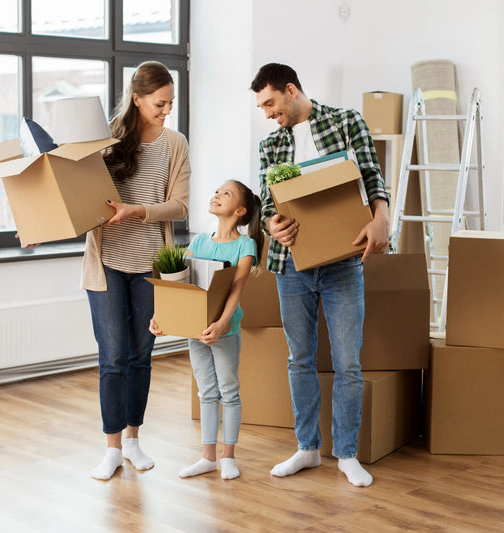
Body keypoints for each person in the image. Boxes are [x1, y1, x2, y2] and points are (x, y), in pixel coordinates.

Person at [250, 63, 390, 487]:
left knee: (348, 362)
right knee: (300, 359)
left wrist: (382, 219)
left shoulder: (346, 122)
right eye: (262, 107)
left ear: (291, 90)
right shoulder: (270, 145)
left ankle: (346, 454)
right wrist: (270, 225)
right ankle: (307, 449)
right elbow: (266, 204)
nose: (269, 113)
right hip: (292, 266)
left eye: (271, 103)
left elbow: (372, 178)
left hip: (343, 260)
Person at [82, 60, 191, 481]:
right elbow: (77, 195)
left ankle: (132, 439)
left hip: (150, 265)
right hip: (106, 265)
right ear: (137, 98)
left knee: (140, 356)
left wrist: (137, 211)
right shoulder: (105, 139)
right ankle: (110, 447)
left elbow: (180, 206)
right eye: (160, 103)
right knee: (112, 357)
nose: (166, 111)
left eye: (170, 104)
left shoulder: (175, 144)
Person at [149, 180, 262, 480]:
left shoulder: (245, 245)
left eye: (226, 194)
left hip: (223, 330)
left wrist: (222, 324)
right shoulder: (199, 241)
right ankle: (207, 457)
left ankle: (228, 457)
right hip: (195, 330)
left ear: (240, 210)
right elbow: (181, 286)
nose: (216, 195)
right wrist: (161, 316)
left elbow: (236, 289)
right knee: (207, 392)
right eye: (216, 191)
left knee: (229, 390)